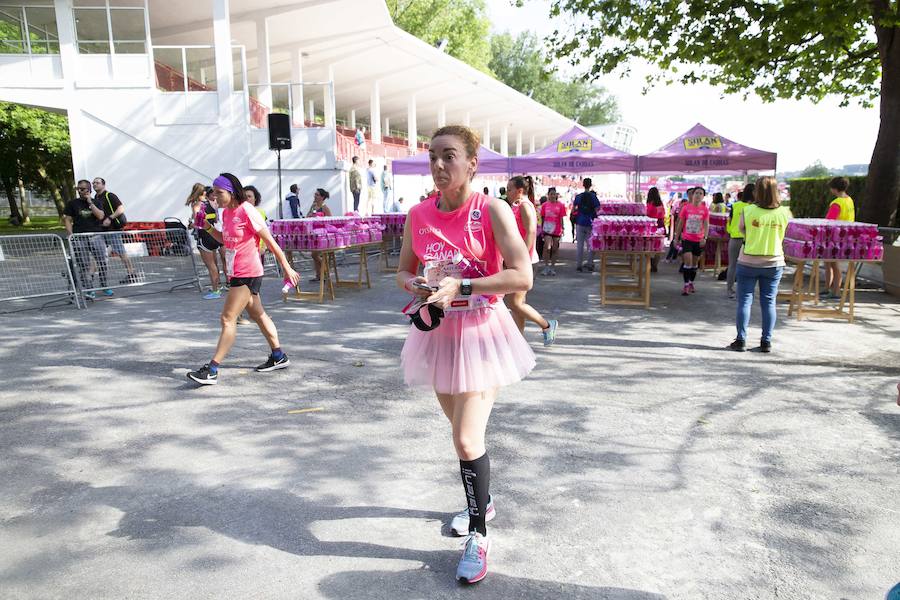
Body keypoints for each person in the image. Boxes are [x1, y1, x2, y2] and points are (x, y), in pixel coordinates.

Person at [397, 125, 535, 584]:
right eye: (433, 156)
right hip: (437, 335)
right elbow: (402, 271)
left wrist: (467, 285)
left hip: (481, 333)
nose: (439, 165)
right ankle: (485, 498)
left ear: (472, 163)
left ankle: (478, 533)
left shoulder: (492, 210)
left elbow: (522, 277)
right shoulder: (417, 214)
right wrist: (417, 285)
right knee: (460, 432)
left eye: (449, 156)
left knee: (466, 441)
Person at [187, 173, 300, 385]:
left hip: (247, 272)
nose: (215, 197)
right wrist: (207, 227)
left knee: (228, 319)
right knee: (258, 314)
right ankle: (278, 356)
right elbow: (226, 240)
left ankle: (212, 370)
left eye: (219, 193)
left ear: (231, 192)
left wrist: (287, 267)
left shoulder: (247, 210)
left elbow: (270, 241)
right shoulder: (227, 213)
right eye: (214, 193)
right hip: (236, 271)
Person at [729, 176, 791, 353]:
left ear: (757, 191)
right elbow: (785, 233)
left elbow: (742, 230)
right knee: (769, 302)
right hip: (774, 262)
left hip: (748, 260)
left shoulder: (748, 211)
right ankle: (766, 341)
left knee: (744, 302)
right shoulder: (784, 212)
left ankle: (741, 339)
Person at [503, 176, 558, 346]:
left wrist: (522, 257)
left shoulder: (525, 206)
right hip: (519, 258)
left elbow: (531, 233)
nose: (507, 192)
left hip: (524, 260)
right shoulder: (519, 205)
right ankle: (518, 340)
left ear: (519, 190)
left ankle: (547, 325)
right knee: (517, 303)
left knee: (514, 302)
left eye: (509, 189)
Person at [65, 179, 110, 299]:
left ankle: (104, 285)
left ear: (89, 189)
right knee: (84, 264)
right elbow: (68, 220)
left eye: (83, 189)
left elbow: (100, 216)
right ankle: (89, 288)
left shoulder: (97, 202)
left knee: (102, 261)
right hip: (79, 237)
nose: (80, 191)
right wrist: (71, 235)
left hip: (96, 236)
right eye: (78, 189)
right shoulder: (72, 203)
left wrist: (90, 202)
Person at [92, 177, 138, 285]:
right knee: (98, 253)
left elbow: (121, 208)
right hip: (101, 230)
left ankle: (132, 274)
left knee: (121, 252)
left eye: (97, 183)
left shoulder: (110, 195)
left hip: (113, 230)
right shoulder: (95, 197)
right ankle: (91, 275)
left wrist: (110, 218)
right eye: (93, 183)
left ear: (103, 185)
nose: (94, 184)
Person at [187, 183, 226, 299]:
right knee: (218, 263)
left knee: (211, 265)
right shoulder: (212, 203)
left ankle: (215, 291)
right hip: (216, 234)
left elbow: (198, 223)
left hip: (205, 236)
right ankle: (218, 286)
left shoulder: (196, 205)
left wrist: (190, 225)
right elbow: (217, 218)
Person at [822, 176, 856, 300]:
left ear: (834, 188)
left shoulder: (837, 203)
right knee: (830, 263)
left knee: (833, 265)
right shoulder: (849, 200)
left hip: (834, 238)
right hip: (846, 236)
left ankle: (835, 292)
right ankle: (829, 289)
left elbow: (829, 221)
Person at [674, 187, 709, 295]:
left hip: (698, 240)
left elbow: (706, 224)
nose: (698, 195)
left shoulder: (705, 209)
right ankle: (685, 285)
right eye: (696, 193)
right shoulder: (686, 208)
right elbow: (680, 223)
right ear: (692, 195)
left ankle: (691, 282)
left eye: (701, 193)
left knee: (694, 263)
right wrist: (676, 237)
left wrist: (705, 238)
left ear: (703, 196)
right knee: (687, 260)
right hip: (687, 238)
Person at [726, 186, 753, 299]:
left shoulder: (735, 205)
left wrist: (731, 231)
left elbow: (729, 221)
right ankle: (744, 291)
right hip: (748, 240)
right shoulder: (753, 208)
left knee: (732, 265)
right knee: (748, 266)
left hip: (734, 238)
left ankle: (729, 290)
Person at [572, 178, 600, 272]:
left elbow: (574, 209)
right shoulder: (593, 196)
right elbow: (597, 208)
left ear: (583, 185)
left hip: (580, 222)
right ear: (590, 185)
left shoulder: (578, 196)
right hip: (590, 222)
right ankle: (590, 263)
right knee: (590, 245)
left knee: (579, 245)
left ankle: (579, 265)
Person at [539, 187, 567, 276]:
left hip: (557, 229)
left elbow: (561, 218)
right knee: (547, 247)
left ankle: (552, 267)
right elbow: (542, 217)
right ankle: (546, 266)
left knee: (555, 249)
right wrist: (542, 229)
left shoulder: (561, 205)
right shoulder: (544, 205)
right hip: (547, 229)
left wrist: (562, 228)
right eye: (551, 194)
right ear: (548, 195)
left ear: (556, 195)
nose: (552, 196)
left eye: (554, 194)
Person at [307, 188, 333, 282]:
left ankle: (325, 272)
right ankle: (319, 275)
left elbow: (330, 221)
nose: (315, 196)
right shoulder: (313, 206)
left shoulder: (325, 207)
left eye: (317, 195)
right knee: (313, 255)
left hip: (323, 235)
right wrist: (310, 215)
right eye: (315, 194)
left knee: (315, 254)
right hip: (313, 234)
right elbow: (307, 217)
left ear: (322, 197)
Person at [645, 187, 666, 272]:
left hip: (651, 225)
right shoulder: (660, 203)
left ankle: (650, 261)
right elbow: (663, 213)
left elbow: (648, 213)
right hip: (660, 224)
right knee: (659, 246)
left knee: (647, 245)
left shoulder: (650, 203)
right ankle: (655, 264)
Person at [535, 194, 548, 260]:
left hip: (537, 226)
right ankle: (540, 255)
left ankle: (537, 254)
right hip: (543, 226)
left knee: (537, 242)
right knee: (542, 243)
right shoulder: (545, 208)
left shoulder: (537, 208)